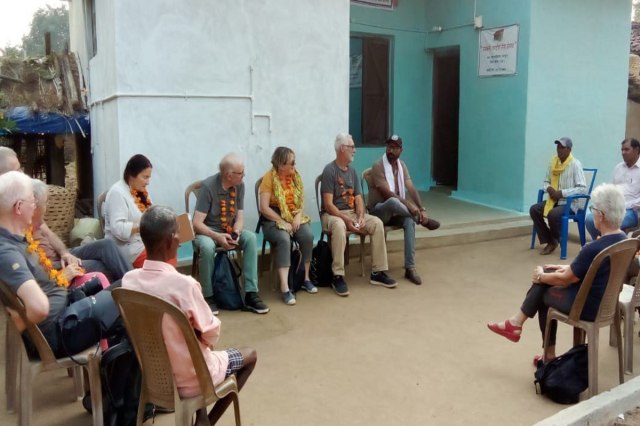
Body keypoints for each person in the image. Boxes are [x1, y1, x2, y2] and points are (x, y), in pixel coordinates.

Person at [122, 205, 256, 423]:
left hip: (155, 378)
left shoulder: (129, 280)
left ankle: (201, 416)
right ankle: (206, 422)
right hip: (193, 380)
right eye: (177, 233)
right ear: (170, 240)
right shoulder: (184, 285)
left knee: (192, 340)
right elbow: (212, 334)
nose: (181, 239)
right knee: (249, 354)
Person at [488, 183, 627, 363]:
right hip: (605, 304)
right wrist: (558, 268)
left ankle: (540, 348)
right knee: (548, 272)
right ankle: (516, 324)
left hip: (586, 306)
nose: (592, 213)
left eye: (593, 209)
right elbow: (584, 270)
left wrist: (541, 276)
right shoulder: (622, 240)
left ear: (601, 215)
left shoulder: (594, 248)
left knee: (543, 292)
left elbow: (565, 280)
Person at [0, 171, 122, 357]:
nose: (36, 206)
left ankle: (118, 371)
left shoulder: (17, 238)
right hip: (60, 330)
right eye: (32, 201)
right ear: (18, 207)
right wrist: (15, 326)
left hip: (68, 309)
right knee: (132, 294)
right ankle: (122, 377)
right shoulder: (7, 252)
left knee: (130, 284)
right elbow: (38, 307)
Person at [0, 146, 132, 281]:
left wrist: (64, 253)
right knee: (101, 266)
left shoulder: (26, 198)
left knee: (106, 245)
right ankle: (131, 292)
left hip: (59, 257)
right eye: (17, 170)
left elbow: (47, 232)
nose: (22, 173)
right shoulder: (9, 214)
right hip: (48, 270)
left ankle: (138, 285)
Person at [320, 133, 397, 297]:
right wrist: (345, 219)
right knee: (340, 226)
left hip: (352, 214)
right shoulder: (329, 170)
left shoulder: (353, 172)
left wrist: (361, 215)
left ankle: (378, 272)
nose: (355, 150)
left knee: (376, 223)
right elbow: (328, 204)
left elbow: (359, 199)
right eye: (352, 147)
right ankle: (338, 276)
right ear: (342, 149)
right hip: (332, 215)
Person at [192, 153, 269, 314]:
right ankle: (208, 296)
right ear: (228, 175)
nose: (244, 175)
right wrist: (218, 237)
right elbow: (197, 223)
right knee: (206, 247)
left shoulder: (239, 185)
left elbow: (240, 216)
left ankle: (250, 293)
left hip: (228, 230)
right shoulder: (208, 187)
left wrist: (237, 232)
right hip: (207, 232)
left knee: (250, 239)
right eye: (241, 172)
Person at [367, 134, 440, 285]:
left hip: (397, 213)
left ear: (401, 150)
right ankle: (423, 221)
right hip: (378, 213)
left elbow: (411, 188)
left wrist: (421, 207)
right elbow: (387, 194)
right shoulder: (378, 165)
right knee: (393, 201)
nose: (390, 151)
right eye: (388, 147)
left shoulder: (402, 166)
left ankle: (410, 268)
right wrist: (410, 205)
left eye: (394, 148)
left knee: (409, 220)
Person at [258, 147, 317, 305]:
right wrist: (282, 221)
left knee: (307, 236)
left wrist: (297, 216)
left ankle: (305, 278)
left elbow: (300, 201)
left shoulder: (296, 176)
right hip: (272, 218)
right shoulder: (269, 178)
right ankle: (285, 287)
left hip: (292, 215)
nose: (294, 165)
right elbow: (264, 208)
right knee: (284, 239)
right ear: (281, 164)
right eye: (291, 162)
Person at [104, 154, 164, 268]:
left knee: (169, 251)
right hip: (126, 248)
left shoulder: (141, 191)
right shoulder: (117, 193)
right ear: (132, 176)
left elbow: (151, 213)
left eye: (149, 177)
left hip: (143, 243)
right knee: (161, 261)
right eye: (145, 177)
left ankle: (163, 285)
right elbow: (118, 229)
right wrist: (141, 226)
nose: (148, 182)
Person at [530, 137, 587, 255]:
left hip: (570, 203)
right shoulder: (553, 163)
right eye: (558, 147)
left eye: (562, 147)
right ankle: (551, 240)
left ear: (569, 150)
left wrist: (561, 193)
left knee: (553, 214)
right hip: (553, 200)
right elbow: (546, 181)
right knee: (534, 209)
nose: (559, 150)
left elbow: (582, 188)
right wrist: (550, 189)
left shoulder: (575, 164)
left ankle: (556, 239)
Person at [585, 138, 640, 239]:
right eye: (622, 150)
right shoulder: (618, 168)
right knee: (589, 219)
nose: (623, 153)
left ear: (637, 150)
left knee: (608, 223)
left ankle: (606, 245)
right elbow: (610, 190)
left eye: (627, 149)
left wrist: (625, 205)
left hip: (632, 211)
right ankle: (601, 245)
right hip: (613, 207)